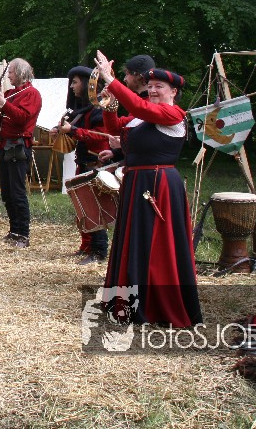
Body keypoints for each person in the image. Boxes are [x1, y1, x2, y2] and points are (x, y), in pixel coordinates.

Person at [92, 50, 202, 328]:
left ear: (173, 92)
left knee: (156, 244)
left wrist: (111, 79)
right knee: (135, 241)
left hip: (158, 185)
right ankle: (128, 300)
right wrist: (110, 103)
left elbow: (141, 109)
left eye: (159, 87)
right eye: (150, 86)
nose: (152, 90)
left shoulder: (173, 114)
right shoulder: (143, 115)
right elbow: (115, 127)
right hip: (138, 182)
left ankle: (155, 304)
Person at [0, 58, 42, 247]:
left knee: (17, 191)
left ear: (21, 72)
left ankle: (23, 234)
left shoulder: (31, 94)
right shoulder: (10, 93)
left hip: (18, 146)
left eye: (11, 72)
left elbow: (22, 118)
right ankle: (14, 230)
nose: (8, 76)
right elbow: (3, 117)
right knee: (7, 192)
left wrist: (2, 102)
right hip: (4, 145)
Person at [54, 66, 112, 264]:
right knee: (84, 208)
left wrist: (73, 130)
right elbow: (77, 128)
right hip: (85, 163)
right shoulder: (84, 109)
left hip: (97, 164)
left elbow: (101, 136)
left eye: (75, 82)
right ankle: (87, 246)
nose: (71, 86)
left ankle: (99, 252)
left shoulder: (100, 108)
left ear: (87, 84)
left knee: (94, 208)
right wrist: (61, 130)